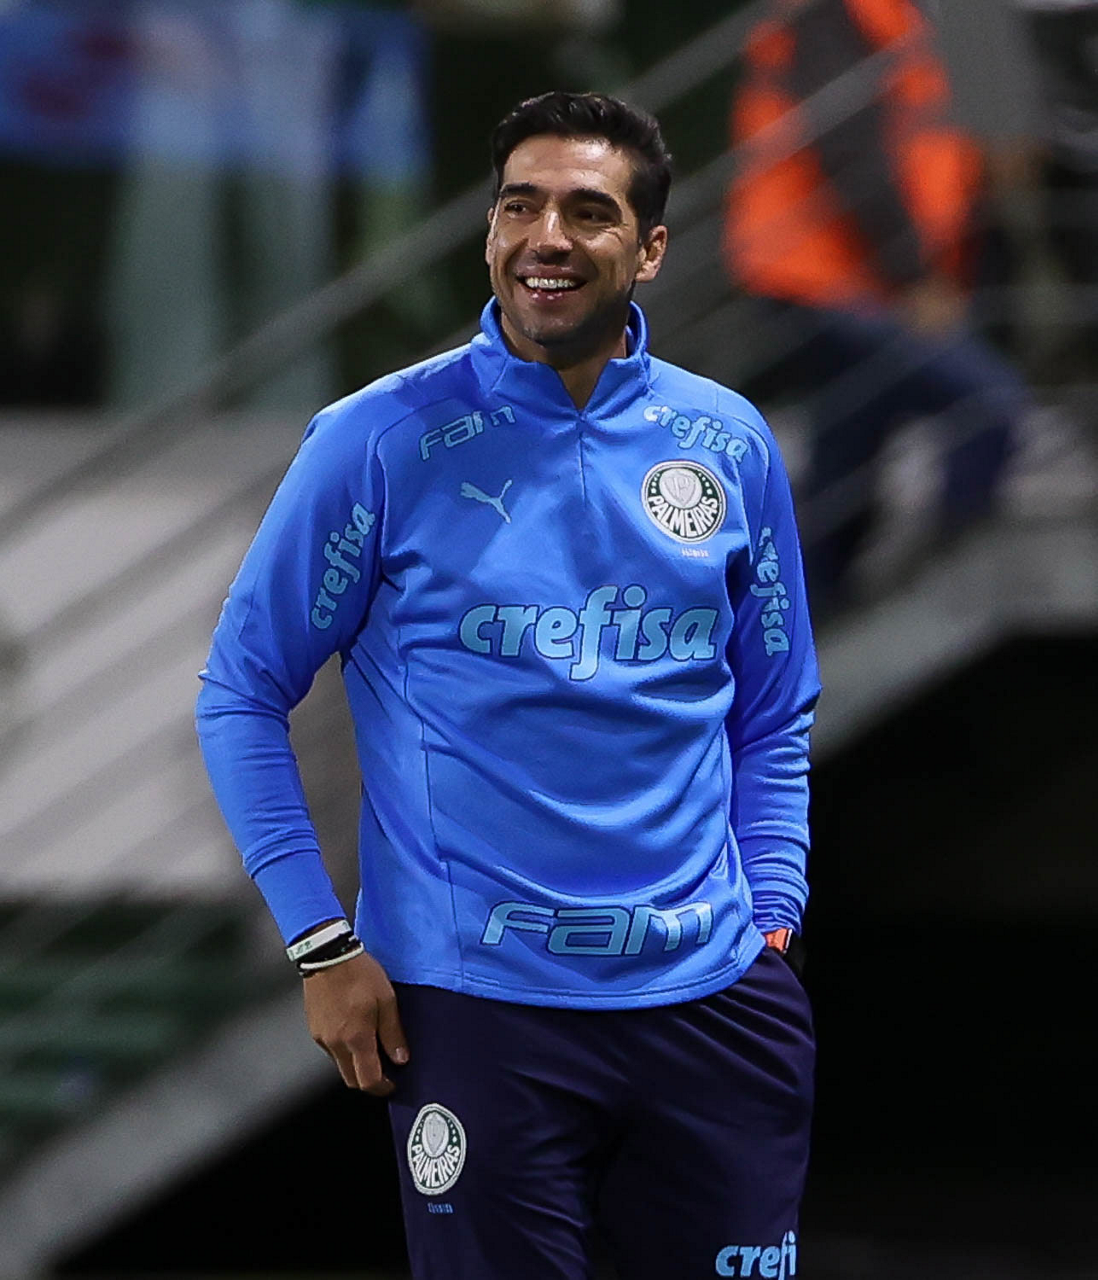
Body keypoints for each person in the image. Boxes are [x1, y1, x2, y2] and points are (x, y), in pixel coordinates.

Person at [197, 91, 819, 1280]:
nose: (547, 237)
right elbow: (240, 691)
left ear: (650, 247)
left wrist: (773, 914)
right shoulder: (377, 440)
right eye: (519, 206)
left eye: (588, 212)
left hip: (714, 1001)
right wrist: (321, 944)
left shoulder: (729, 443)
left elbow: (775, 706)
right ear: (488, 231)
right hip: (479, 1012)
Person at [723, 0, 1025, 615]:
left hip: (849, 280)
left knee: (849, 457)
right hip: (826, 277)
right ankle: (949, 589)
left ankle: (800, 619)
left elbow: (948, 150)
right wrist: (913, 280)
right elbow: (850, 150)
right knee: (988, 406)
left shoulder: (903, 17)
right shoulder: (834, 14)